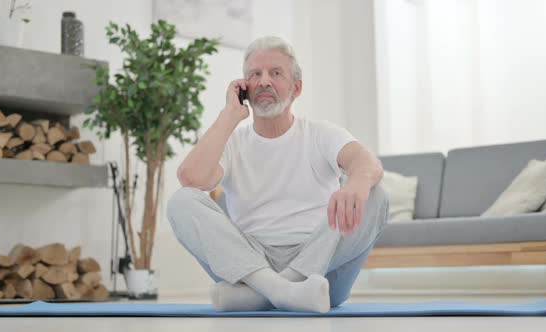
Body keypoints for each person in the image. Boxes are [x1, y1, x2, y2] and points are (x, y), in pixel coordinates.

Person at [166, 36, 389, 313]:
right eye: (254, 75)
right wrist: (229, 114)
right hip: (249, 263)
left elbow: (366, 161)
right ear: (244, 87)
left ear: (296, 88)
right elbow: (191, 178)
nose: (264, 81)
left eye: (276, 73)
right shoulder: (233, 141)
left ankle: (265, 294)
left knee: (376, 192)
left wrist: (357, 183)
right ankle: (282, 291)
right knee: (181, 202)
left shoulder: (320, 133)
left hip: (320, 268)